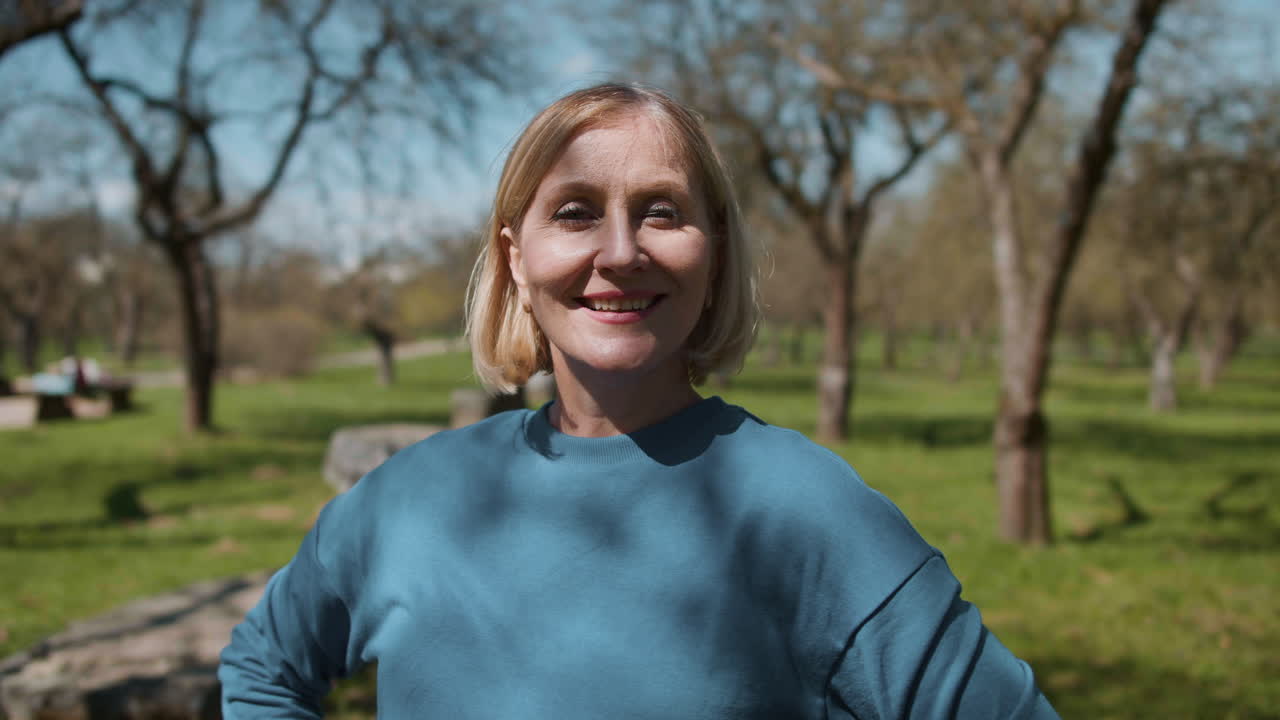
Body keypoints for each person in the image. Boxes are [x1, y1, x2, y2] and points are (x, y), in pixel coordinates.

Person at [219, 83, 1060, 719]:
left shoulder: (804, 511)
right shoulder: (411, 496)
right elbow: (262, 664)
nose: (620, 253)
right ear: (517, 256)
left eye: (661, 212)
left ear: (713, 252)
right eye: (576, 212)